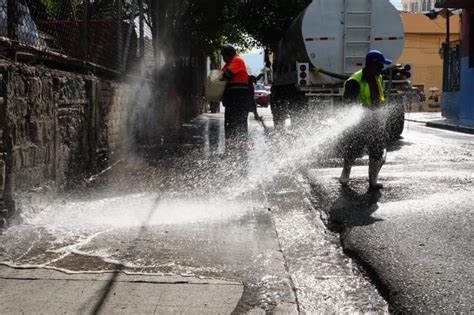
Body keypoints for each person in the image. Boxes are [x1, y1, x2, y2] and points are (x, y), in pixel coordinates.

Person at [339, 50, 391, 189]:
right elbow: (348, 106)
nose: (382, 68)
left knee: (377, 149)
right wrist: (364, 111)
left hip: (375, 120)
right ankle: (346, 172)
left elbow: (379, 97)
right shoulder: (354, 82)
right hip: (359, 122)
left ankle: (373, 181)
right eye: (380, 65)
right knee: (354, 148)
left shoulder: (377, 77)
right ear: (372, 65)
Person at [220, 45, 250, 148]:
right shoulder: (229, 63)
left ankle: (243, 143)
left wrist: (219, 79)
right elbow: (220, 75)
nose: (223, 59)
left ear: (229, 55)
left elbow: (226, 75)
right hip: (232, 96)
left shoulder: (237, 60)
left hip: (239, 95)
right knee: (229, 119)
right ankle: (230, 143)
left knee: (240, 118)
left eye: (224, 56)